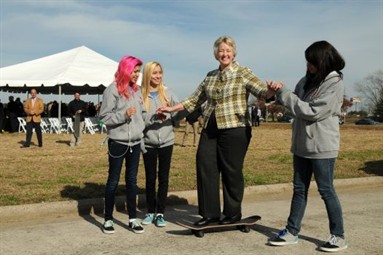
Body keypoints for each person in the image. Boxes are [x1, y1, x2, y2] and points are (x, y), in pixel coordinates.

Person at [157, 35, 278, 226]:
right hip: (210, 126)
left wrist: (270, 92)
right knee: (205, 165)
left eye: (228, 50)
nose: (225, 54)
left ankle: (232, 214)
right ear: (216, 54)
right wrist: (172, 109)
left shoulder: (242, 72)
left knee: (231, 171)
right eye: (221, 50)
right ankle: (210, 215)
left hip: (235, 128)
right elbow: (194, 99)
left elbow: (262, 91)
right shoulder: (210, 76)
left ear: (233, 53)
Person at [267, 40, 348, 252]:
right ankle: (292, 231)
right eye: (307, 62)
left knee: (326, 190)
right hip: (301, 145)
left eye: (312, 62)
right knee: (299, 190)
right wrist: (277, 94)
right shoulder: (306, 80)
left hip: (322, 147)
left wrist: (286, 95)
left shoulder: (334, 82)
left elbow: (313, 111)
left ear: (323, 61)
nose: (309, 65)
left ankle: (338, 236)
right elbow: (296, 106)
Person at [99, 55, 146, 234]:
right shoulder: (111, 90)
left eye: (138, 72)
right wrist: (123, 115)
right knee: (113, 181)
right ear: (126, 70)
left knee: (132, 181)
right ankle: (108, 219)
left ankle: (133, 219)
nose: (137, 75)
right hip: (117, 143)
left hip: (135, 143)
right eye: (134, 71)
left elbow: (141, 114)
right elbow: (104, 118)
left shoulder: (137, 90)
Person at [140, 61, 179, 227]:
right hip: (148, 143)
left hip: (166, 142)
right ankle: (150, 211)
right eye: (154, 73)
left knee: (163, 178)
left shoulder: (168, 93)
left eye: (160, 72)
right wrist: (153, 118)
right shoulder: (140, 95)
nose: (158, 76)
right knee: (150, 179)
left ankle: (160, 213)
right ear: (148, 74)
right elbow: (139, 121)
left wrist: (170, 117)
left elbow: (178, 111)